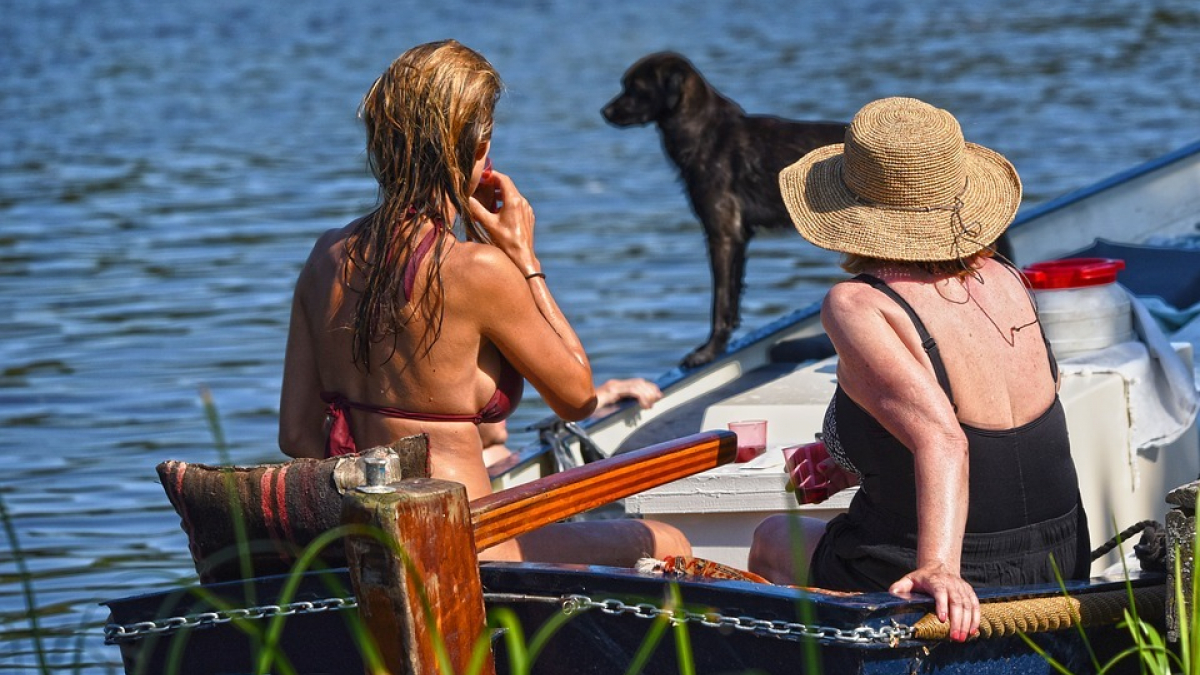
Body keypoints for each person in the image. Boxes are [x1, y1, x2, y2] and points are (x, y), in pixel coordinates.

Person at [278, 40, 688, 565]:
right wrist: (524, 259)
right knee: (669, 543)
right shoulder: (478, 270)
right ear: (475, 149)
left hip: (371, 547)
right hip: (469, 549)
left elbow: (295, 433)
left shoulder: (324, 258)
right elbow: (578, 398)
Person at [747, 97, 1090, 643]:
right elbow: (1000, 435)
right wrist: (856, 460)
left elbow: (944, 439)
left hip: (958, 578)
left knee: (771, 538)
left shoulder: (858, 304)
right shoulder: (1005, 277)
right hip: (1063, 562)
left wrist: (939, 568)